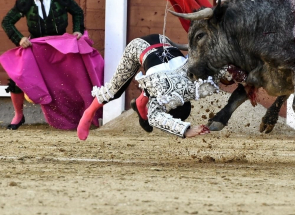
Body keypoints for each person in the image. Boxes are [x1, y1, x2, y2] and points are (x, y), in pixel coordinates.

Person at [77, 34, 228, 140]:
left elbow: (217, 69)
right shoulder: (161, 94)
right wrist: (185, 131)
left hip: (161, 39)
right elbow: (155, 117)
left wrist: (231, 73)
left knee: (151, 83)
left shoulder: (195, 86)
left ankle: (140, 104)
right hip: (136, 47)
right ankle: (89, 113)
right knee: (115, 89)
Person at [1, 0, 85, 130]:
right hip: (36, 48)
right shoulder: (25, 1)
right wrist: (20, 39)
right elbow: (7, 22)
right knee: (19, 77)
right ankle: (18, 115)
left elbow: (77, 12)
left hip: (60, 47)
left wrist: (78, 30)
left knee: (73, 78)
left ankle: (77, 114)